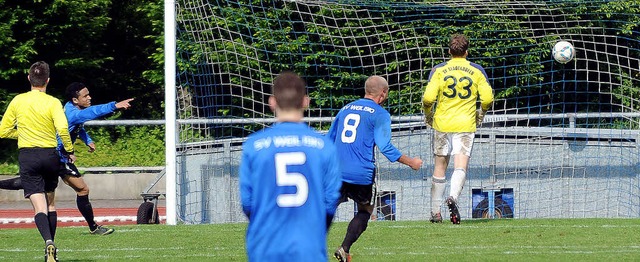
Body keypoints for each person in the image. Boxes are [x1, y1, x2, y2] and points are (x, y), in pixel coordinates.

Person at [0, 82, 134, 235]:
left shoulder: (71, 109)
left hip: (54, 153)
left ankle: (92, 227)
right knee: (82, 189)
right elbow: (91, 113)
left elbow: (78, 126)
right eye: (86, 96)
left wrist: (87, 139)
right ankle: (93, 227)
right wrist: (114, 106)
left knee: (34, 183)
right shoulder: (73, 113)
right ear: (75, 100)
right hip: (57, 156)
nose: (90, 98)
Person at [239, 71, 342, 262]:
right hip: (308, 247)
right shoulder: (324, 146)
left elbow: (248, 202)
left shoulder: (254, 146)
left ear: (272, 102)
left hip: (264, 248)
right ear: (305, 102)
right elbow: (330, 202)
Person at [327, 75, 423, 262]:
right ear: (383, 93)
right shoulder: (380, 114)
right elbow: (385, 147)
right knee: (365, 210)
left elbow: (329, 140)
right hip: (361, 174)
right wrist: (411, 162)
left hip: (336, 171)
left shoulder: (345, 109)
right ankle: (344, 248)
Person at [0, 61, 74, 262]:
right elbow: (62, 129)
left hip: (28, 156)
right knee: (51, 204)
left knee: (39, 206)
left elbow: (3, 130)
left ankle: (48, 242)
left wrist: (24, 134)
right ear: (48, 81)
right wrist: (70, 149)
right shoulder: (53, 102)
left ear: (28, 79)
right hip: (50, 155)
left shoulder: (17, 101)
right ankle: (50, 250)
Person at [422, 34, 494, 224]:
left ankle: (435, 212)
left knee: (440, 166)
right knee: (460, 165)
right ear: (467, 52)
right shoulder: (476, 71)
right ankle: (453, 197)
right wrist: (481, 113)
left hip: (442, 123)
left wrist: (428, 114)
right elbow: (487, 99)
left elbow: (428, 99)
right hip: (465, 124)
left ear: (449, 51)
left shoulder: (439, 70)